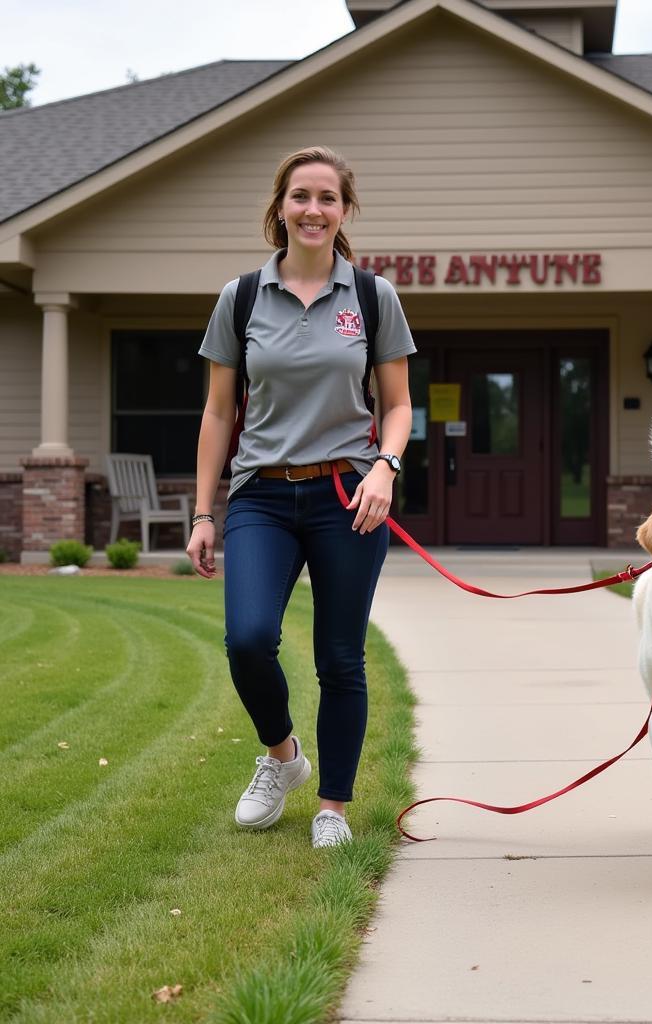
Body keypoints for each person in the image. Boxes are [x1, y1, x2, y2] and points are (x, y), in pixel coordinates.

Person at [186, 146, 415, 848]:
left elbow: (399, 405)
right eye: (300, 196)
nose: (313, 209)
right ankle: (283, 758)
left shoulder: (372, 297)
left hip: (349, 495)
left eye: (327, 198)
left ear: (344, 211)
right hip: (261, 495)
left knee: (339, 658)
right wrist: (203, 512)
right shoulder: (243, 297)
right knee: (248, 639)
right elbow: (219, 413)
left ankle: (332, 809)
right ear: (279, 207)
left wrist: (387, 467)